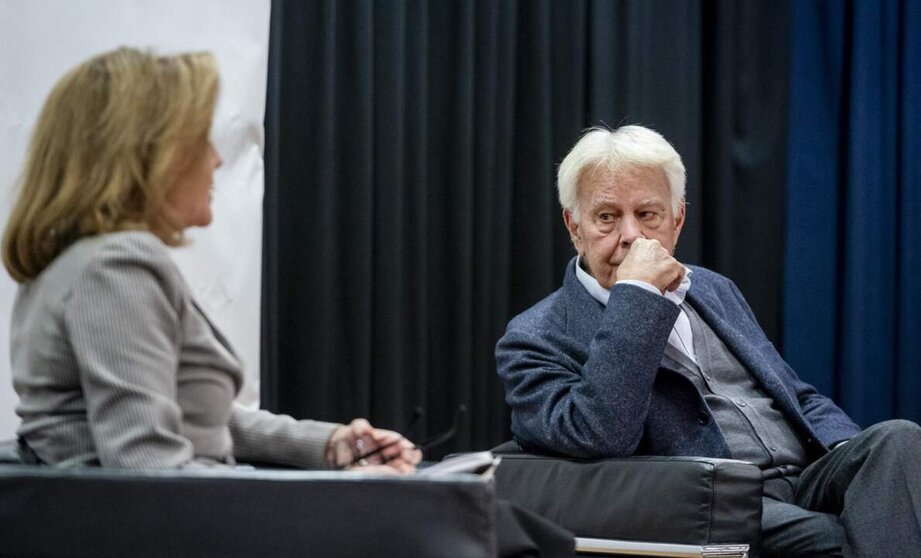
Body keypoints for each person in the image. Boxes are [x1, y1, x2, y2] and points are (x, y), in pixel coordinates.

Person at [496, 125, 921, 556]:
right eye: (606, 217)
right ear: (574, 226)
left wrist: (857, 469)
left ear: (677, 220)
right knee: (840, 538)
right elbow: (600, 435)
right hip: (715, 499)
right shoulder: (534, 338)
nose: (631, 235)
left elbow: (795, 395)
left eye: (648, 215)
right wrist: (638, 298)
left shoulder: (714, 288)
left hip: (806, 475)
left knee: (900, 440)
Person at [2, 47, 420, 472]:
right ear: (151, 155)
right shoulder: (116, 267)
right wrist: (339, 498)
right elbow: (149, 470)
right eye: (201, 140)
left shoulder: (79, 262)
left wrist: (327, 445)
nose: (216, 158)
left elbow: (185, 415)